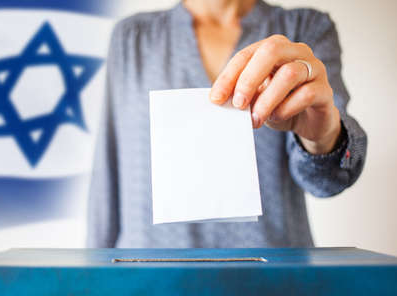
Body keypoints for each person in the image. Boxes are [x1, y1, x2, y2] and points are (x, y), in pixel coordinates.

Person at [87, 0, 367, 248]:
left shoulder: (304, 28)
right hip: (147, 281)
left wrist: (322, 138)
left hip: (273, 282)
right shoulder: (133, 37)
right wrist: (90, 282)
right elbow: (109, 168)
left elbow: (329, 180)